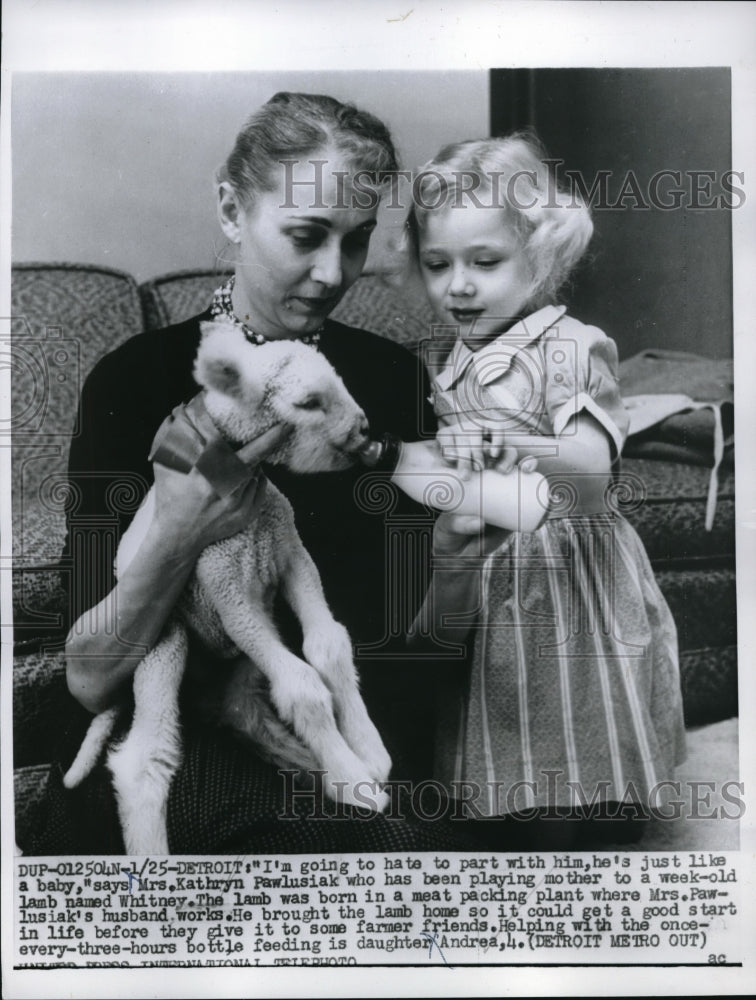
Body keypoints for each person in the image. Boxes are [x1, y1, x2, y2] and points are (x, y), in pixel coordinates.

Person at [24, 92, 479, 855]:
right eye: (305, 235)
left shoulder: (389, 381)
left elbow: (421, 654)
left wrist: (460, 558)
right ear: (233, 210)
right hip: (176, 730)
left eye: (358, 240)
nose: (334, 272)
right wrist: (179, 530)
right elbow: (89, 680)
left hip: (331, 729)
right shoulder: (135, 382)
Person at [407, 133, 687, 849]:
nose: (458, 286)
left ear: (541, 254)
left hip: (563, 565)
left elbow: (592, 468)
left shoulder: (567, 344)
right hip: (491, 558)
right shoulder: (459, 356)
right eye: (438, 265)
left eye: (485, 262)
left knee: (568, 718)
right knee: (504, 721)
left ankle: (578, 839)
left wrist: (511, 446)